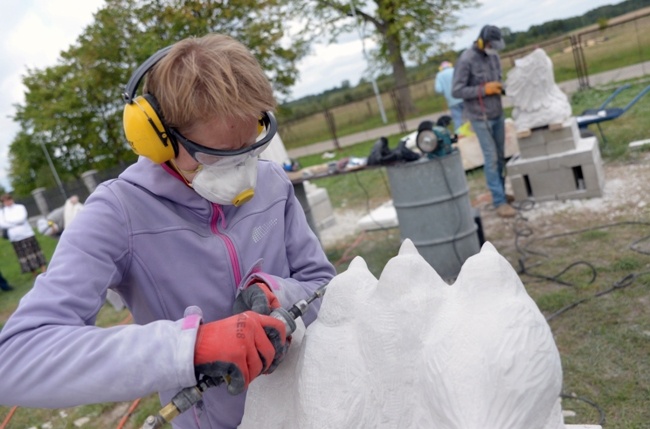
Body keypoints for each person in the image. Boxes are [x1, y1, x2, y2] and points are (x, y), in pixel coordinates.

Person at [0, 33, 336, 429]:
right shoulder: (119, 212)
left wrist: (277, 293)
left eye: (249, 146)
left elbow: (322, 285)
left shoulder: (273, 185)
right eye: (219, 155)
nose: (244, 170)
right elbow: (16, 359)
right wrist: (191, 348)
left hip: (307, 408)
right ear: (157, 138)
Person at [452, 25, 516, 218]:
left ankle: (501, 192)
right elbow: (457, 91)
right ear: (481, 40)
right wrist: (483, 90)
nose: (492, 48)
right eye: (490, 44)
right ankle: (499, 201)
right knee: (491, 158)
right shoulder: (466, 60)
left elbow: (498, 80)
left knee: (500, 155)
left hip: (497, 113)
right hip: (480, 117)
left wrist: (503, 88)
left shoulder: (494, 57)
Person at [0, 194, 47, 276]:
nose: (7, 202)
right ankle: (34, 273)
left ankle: (44, 270)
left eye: (8, 200)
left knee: (35, 252)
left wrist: (10, 222)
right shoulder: (2, 212)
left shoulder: (20, 207)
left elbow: (22, 218)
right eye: (5, 201)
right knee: (25, 256)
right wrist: (14, 223)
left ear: (12, 199)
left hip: (26, 234)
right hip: (15, 237)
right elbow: (2, 224)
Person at [434, 61, 464, 132]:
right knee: (470, 117)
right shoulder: (455, 70)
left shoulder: (439, 75)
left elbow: (438, 89)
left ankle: (459, 135)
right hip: (463, 97)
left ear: (441, 68)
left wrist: (445, 92)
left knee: (457, 119)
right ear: (450, 65)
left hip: (452, 101)